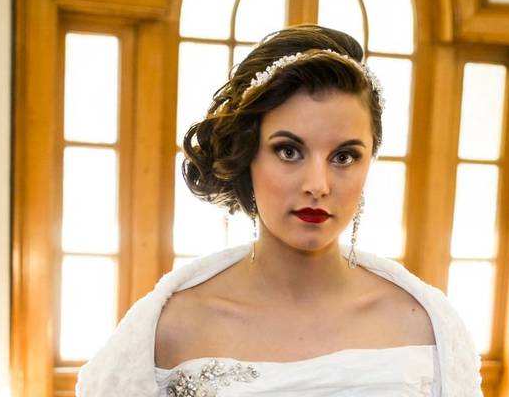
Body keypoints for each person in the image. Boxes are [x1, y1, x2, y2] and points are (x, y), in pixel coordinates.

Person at [76, 24, 483, 396]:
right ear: (247, 154)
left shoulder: (423, 324)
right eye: (289, 151)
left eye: (344, 156)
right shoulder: (172, 328)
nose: (317, 185)